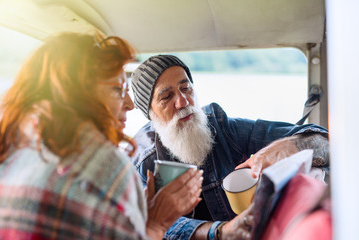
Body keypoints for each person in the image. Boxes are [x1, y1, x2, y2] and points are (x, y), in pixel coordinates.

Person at [0, 33, 204, 240]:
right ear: (78, 93)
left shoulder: (12, 149)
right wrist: (156, 224)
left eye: (186, 88)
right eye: (118, 89)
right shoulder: (105, 167)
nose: (129, 104)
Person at [130, 54, 330, 240]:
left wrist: (280, 149)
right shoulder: (142, 160)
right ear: (149, 113)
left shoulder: (220, 127)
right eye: (166, 97)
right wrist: (220, 231)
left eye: (186, 87)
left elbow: (324, 141)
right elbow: (152, 221)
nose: (182, 102)